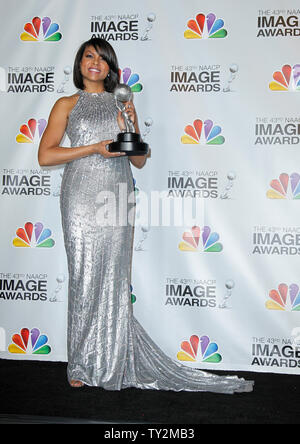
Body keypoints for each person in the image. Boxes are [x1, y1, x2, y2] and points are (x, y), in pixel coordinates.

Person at [38, 38, 254, 394]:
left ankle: (114, 359)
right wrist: (93, 148)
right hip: (79, 197)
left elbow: (137, 159)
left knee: (114, 278)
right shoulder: (66, 104)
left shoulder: (123, 102)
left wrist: (134, 126)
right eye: (89, 56)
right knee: (83, 275)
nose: (96, 63)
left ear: (111, 68)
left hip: (118, 195)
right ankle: (80, 362)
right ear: (79, 64)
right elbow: (45, 156)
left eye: (103, 59)